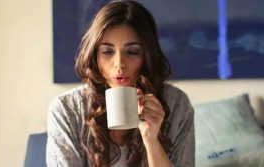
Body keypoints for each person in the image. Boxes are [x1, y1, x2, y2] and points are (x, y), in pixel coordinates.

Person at [46, 1, 194, 166]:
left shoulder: (176, 104)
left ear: (147, 56)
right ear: (95, 55)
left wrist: (151, 141)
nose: (119, 64)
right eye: (107, 51)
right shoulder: (67, 109)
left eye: (132, 52)